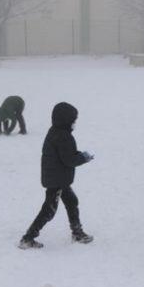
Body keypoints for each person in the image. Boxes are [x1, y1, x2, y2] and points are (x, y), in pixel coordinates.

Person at [19, 102, 94, 249]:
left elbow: (66, 155)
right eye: (73, 120)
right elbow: (69, 159)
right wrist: (84, 158)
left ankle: (77, 232)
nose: (74, 123)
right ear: (66, 120)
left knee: (71, 201)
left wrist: (79, 155)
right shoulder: (63, 136)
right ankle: (28, 238)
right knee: (49, 210)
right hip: (57, 179)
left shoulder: (56, 131)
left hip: (57, 177)